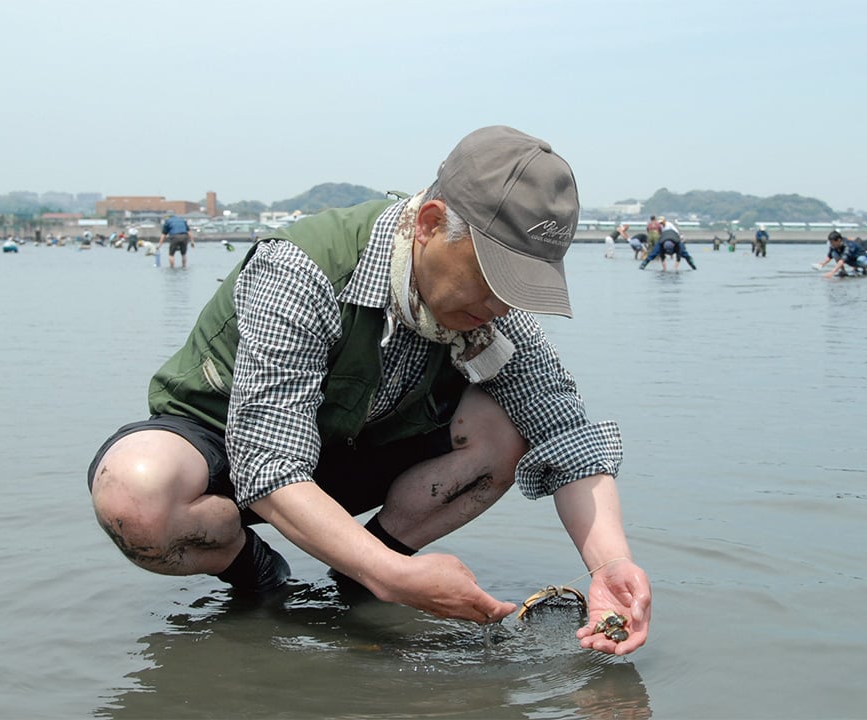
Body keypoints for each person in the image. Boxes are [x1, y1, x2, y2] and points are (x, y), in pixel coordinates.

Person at [86, 125, 651, 656]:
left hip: (348, 454)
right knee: (136, 494)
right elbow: (267, 460)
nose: (500, 307)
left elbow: (569, 438)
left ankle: (356, 579)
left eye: (519, 289)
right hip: (230, 451)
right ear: (429, 224)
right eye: (492, 279)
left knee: (508, 428)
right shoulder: (303, 270)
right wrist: (394, 577)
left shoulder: (492, 320)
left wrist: (610, 566)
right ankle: (259, 575)